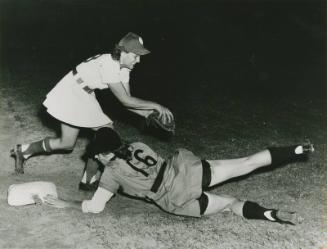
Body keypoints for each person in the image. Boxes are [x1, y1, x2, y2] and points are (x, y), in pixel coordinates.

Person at [42, 127, 314, 225]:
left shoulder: (110, 175)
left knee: (230, 204)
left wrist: (67, 203)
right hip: (187, 170)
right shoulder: (137, 145)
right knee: (247, 162)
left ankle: (271, 213)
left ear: (102, 155)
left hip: (176, 197)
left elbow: (95, 208)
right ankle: (297, 149)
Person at [10, 32, 174, 189]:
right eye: (135, 55)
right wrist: (156, 106)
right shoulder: (109, 65)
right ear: (123, 52)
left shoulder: (124, 68)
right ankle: (88, 181)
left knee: (67, 144)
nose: (138, 60)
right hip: (71, 92)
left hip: (84, 94)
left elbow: (127, 101)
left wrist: (146, 113)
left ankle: (23, 151)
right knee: (105, 133)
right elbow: (125, 100)